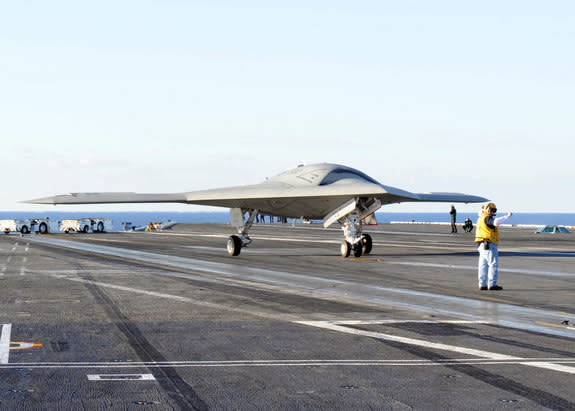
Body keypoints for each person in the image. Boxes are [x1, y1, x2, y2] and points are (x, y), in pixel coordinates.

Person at [475, 202, 512, 291]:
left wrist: (483, 209)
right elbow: (495, 222)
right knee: (493, 264)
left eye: (494, 210)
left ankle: (482, 284)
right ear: (488, 210)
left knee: (483, 265)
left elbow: (481, 212)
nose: (493, 212)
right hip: (489, 244)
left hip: (481, 244)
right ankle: (492, 284)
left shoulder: (481, 217)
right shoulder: (487, 218)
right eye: (492, 210)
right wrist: (507, 216)